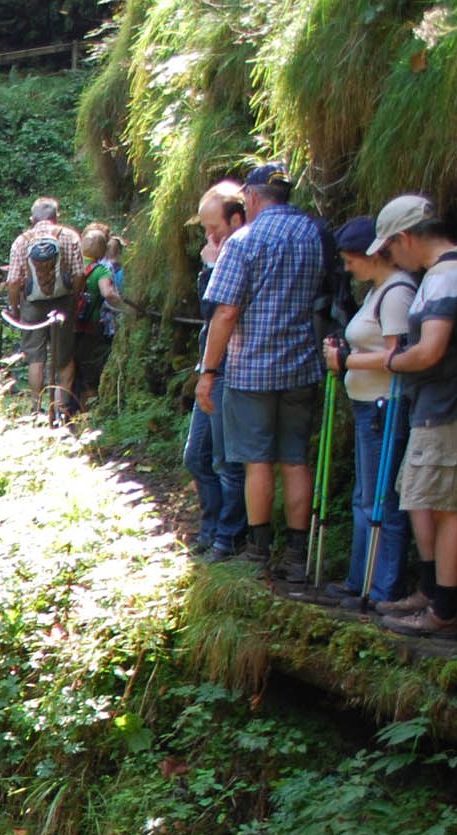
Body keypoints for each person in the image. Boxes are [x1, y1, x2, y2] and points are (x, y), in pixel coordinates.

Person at [327, 194, 457, 635]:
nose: (390, 258)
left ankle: (442, 610)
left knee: (444, 505)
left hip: (449, 403)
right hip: (434, 403)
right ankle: (429, 593)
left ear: (404, 239)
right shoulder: (444, 272)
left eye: (389, 248)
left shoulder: (449, 275)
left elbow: (428, 351)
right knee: (419, 497)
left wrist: (388, 361)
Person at [196, 162, 328, 577]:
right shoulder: (313, 234)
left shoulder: (245, 241)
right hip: (302, 365)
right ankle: (296, 555)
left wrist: (209, 371)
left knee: (257, 462)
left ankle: (258, 550)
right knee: (294, 459)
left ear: (251, 197)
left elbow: (226, 311)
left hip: (251, 368)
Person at [316, 214, 414, 607]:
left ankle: (381, 588)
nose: (346, 266)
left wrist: (347, 361)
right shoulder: (379, 290)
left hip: (384, 407)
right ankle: (361, 580)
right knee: (365, 497)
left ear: (370, 254)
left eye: (349, 259)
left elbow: (398, 356)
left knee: (380, 500)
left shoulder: (396, 293)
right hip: (369, 406)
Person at [186, 180, 250, 560]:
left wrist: (211, 266)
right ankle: (211, 530)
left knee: (227, 461)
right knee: (197, 457)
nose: (210, 236)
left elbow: (219, 310)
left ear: (237, 219)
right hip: (212, 366)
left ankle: (229, 538)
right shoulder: (222, 253)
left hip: (230, 368)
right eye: (206, 229)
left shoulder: (241, 252)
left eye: (216, 228)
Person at [4, 198, 86, 416]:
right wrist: (73, 300)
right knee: (64, 358)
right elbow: (79, 275)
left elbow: (13, 282)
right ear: (56, 217)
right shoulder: (69, 236)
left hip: (32, 305)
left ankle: (37, 408)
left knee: (35, 357)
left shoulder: (22, 241)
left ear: (33, 219)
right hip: (62, 303)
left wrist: (15, 309)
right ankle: (61, 411)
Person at [73, 222, 123, 406]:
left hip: (66, 325)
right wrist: (125, 307)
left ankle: (65, 409)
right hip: (90, 327)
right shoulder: (101, 269)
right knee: (89, 370)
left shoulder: (71, 264)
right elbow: (108, 293)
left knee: (68, 367)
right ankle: (87, 413)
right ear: (103, 251)